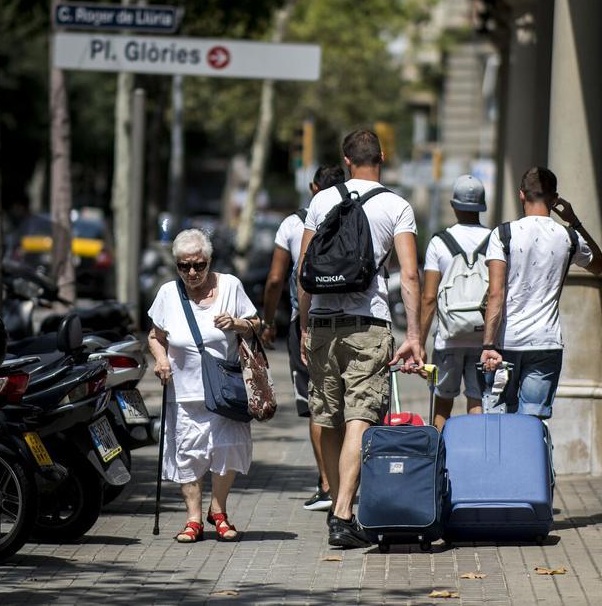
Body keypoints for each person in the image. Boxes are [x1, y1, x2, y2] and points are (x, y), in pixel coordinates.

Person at [298, 129, 425, 549]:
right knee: (361, 418)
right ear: (382, 157)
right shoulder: (397, 205)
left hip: (321, 324)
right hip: (368, 324)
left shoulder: (321, 200)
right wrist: (415, 335)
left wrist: (303, 324)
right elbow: (409, 274)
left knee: (328, 417)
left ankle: (339, 505)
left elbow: (305, 268)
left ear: (346, 160)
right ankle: (342, 514)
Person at [148, 229, 260, 543]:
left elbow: (256, 325)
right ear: (177, 266)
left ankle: (219, 511)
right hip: (183, 392)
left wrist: (236, 324)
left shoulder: (230, 286)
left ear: (209, 261)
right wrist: (161, 359)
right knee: (188, 454)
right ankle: (193, 519)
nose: (193, 272)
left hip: (224, 390)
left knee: (226, 451)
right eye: (184, 267)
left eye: (199, 265)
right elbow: (155, 337)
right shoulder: (168, 294)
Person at [479, 167, 602, 418]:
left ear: (521, 195)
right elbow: (599, 266)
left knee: (501, 423)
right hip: (545, 342)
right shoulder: (569, 237)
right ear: (555, 199)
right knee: (533, 423)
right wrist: (574, 220)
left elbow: (496, 294)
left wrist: (488, 344)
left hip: (506, 343)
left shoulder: (503, 234)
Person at [260, 164, 347, 512]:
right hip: (357, 320)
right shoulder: (359, 213)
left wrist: (268, 321)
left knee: (318, 404)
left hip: (308, 324)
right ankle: (349, 482)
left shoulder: (294, 224)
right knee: (349, 403)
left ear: (313, 187)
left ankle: (327, 483)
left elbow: (276, 278)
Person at [418, 175, 492, 430]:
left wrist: (418, 341)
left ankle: (440, 459)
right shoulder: (495, 240)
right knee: (478, 401)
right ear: (482, 205)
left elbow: (428, 298)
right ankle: (476, 461)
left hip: (448, 338)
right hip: (483, 338)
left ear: (454, 205)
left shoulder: (439, 242)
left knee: (443, 402)